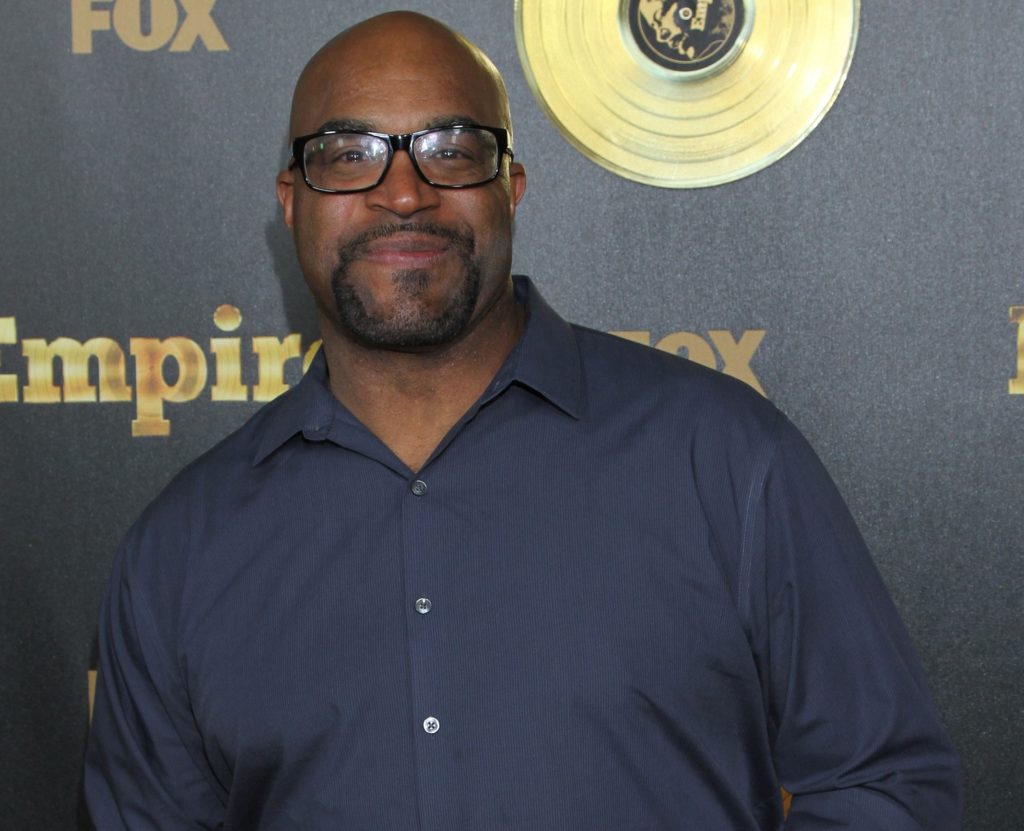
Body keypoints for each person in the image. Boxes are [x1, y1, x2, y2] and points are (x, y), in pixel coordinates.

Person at [85, 11, 961, 830]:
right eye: (350, 152)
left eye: (451, 149)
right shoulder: (181, 550)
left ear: (510, 185)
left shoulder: (724, 459)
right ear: (291, 201)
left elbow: (886, 784)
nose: (403, 193)